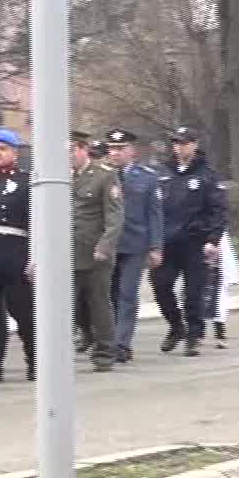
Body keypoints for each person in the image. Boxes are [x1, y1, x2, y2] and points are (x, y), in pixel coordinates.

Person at [152, 126, 228, 358]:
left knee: (194, 292)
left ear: (194, 145)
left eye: (184, 143)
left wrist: (213, 239)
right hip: (167, 242)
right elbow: (152, 209)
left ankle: (194, 335)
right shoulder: (163, 173)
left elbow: (219, 210)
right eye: (176, 143)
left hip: (196, 243)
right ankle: (176, 327)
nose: (179, 147)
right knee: (161, 286)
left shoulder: (207, 175)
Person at [0, 129, 35, 383]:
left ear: (14, 152)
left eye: (2, 149)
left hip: (16, 252)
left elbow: (37, 222)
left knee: (23, 311)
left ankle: (35, 359)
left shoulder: (26, 181)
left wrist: (35, 257)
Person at [103, 129, 164, 363]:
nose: (115, 153)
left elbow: (155, 214)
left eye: (120, 149)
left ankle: (122, 343)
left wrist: (156, 246)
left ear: (132, 151)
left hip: (135, 245)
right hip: (108, 244)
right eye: (112, 149)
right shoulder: (101, 175)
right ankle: (108, 340)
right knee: (108, 295)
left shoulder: (147, 177)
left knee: (127, 294)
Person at [71, 131, 124, 372]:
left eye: (71, 150)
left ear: (83, 149)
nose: (66, 156)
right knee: (68, 305)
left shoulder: (104, 176)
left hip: (94, 253)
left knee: (98, 303)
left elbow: (115, 217)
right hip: (66, 253)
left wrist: (105, 246)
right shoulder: (59, 177)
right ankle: (69, 345)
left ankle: (104, 352)